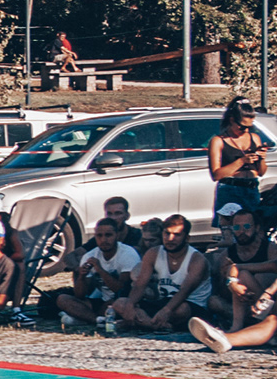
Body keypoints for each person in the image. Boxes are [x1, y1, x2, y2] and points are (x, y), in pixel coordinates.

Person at [112, 213, 211, 333]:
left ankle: (143, 323)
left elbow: (185, 290)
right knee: (120, 303)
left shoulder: (196, 259)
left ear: (187, 238)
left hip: (190, 305)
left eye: (176, 235)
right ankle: (156, 325)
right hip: (163, 301)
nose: (170, 239)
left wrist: (166, 311)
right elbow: (140, 285)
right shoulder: (153, 253)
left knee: (181, 309)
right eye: (167, 233)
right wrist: (130, 305)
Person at [56, 217, 141, 329]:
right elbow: (80, 295)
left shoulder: (128, 254)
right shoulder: (90, 255)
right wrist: (81, 276)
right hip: (101, 301)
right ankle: (97, 320)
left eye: (108, 235)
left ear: (117, 235)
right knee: (62, 299)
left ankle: (83, 318)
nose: (103, 240)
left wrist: (100, 269)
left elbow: (121, 289)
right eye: (99, 236)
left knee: (115, 304)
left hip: (122, 300)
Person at [205, 205, 277, 329]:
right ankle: (245, 323)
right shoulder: (227, 255)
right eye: (237, 227)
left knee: (254, 276)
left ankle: (245, 325)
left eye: (247, 227)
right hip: (242, 302)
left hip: (267, 301)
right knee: (214, 301)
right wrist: (231, 285)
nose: (242, 232)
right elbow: (222, 292)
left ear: (256, 228)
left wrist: (234, 275)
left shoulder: (270, 249)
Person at [208, 98, 267, 226]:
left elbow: (261, 172)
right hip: (230, 189)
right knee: (230, 230)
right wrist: (242, 161)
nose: (246, 131)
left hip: (251, 188)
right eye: (242, 127)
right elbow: (216, 174)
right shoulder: (218, 141)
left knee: (253, 229)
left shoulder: (254, 138)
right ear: (232, 120)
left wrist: (261, 158)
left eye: (250, 127)